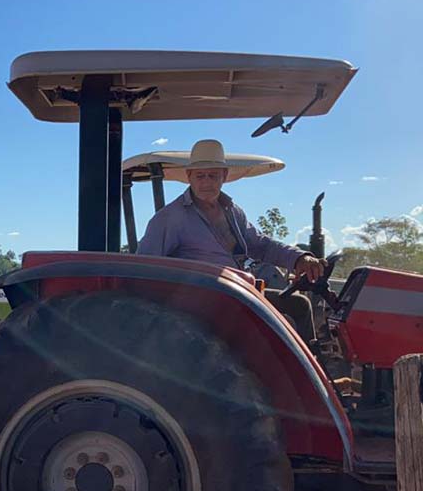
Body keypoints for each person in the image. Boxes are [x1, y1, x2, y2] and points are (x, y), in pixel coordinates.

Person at [137, 139, 324, 342]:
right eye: (200, 176)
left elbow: (260, 245)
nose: (206, 182)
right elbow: (145, 268)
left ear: (224, 176)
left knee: (299, 305)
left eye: (213, 175)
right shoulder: (170, 218)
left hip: (236, 293)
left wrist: (299, 258)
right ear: (189, 176)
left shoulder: (233, 211)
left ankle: (311, 360)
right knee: (276, 329)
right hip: (201, 303)